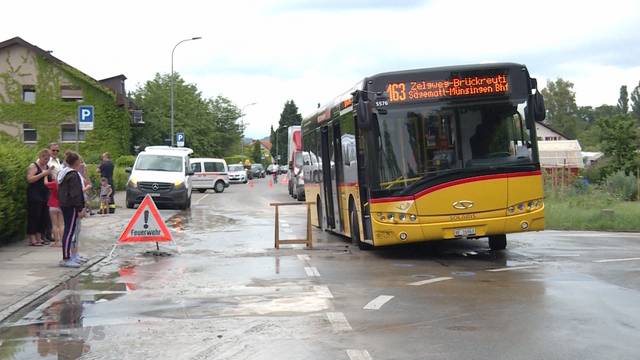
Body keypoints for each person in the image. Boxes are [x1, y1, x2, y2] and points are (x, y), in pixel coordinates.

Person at [57, 151, 85, 268]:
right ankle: (67, 258)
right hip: (71, 206)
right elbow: (75, 194)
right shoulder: (73, 175)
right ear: (76, 162)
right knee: (69, 232)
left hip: (65, 204)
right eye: (79, 160)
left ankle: (69, 256)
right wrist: (80, 208)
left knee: (69, 231)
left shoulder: (63, 173)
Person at [26, 149, 51, 246]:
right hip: (34, 194)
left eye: (48, 159)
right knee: (34, 216)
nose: (46, 161)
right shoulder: (33, 166)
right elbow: (29, 179)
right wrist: (42, 174)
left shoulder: (47, 166)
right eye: (45, 159)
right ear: (40, 157)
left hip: (44, 194)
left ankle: (39, 236)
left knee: (43, 216)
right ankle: (32, 238)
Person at [45, 172, 63, 247]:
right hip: (61, 205)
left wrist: (45, 175)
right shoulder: (63, 184)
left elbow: (45, 183)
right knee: (61, 225)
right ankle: (63, 241)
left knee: (54, 225)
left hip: (52, 205)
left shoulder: (53, 183)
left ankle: (56, 242)